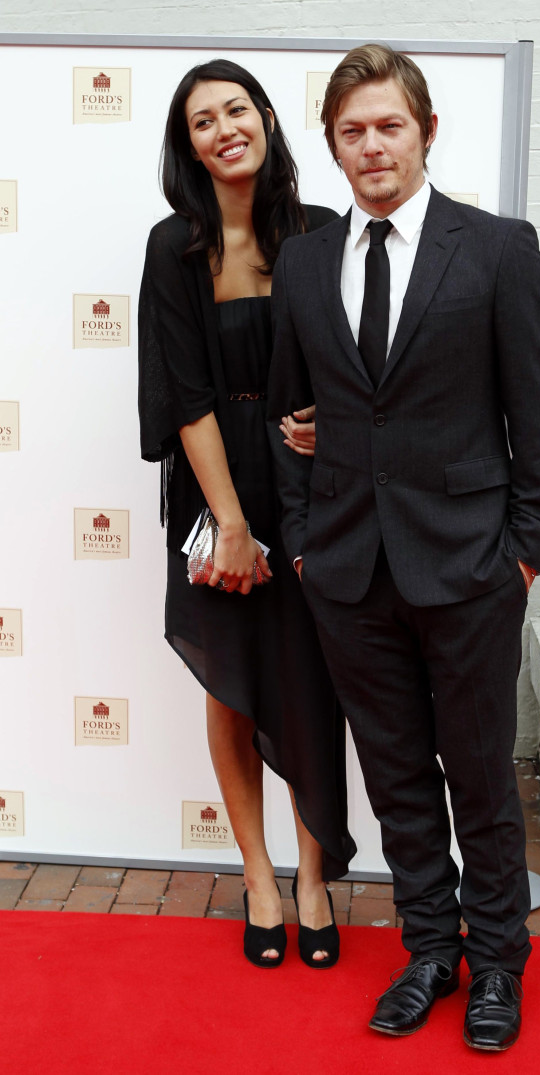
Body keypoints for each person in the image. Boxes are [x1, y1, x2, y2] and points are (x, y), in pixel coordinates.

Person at [268, 44, 540, 1048]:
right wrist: (307, 543)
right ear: (333, 147)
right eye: (350, 131)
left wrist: (524, 555)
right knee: (396, 776)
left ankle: (497, 964)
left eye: (388, 125)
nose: (371, 146)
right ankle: (430, 949)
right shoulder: (307, 262)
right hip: (350, 572)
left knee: (480, 776)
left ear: (426, 131)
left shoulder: (494, 249)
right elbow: (290, 417)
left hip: (471, 567)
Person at [137, 59, 355, 970]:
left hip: (310, 492)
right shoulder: (174, 243)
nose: (224, 129)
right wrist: (228, 521)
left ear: (266, 119)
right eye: (201, 121)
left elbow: (360, 363)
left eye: (237, 110)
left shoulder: (323, 231)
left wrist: (325, 420)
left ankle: (312, 878)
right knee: (230, 679)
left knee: (313, 677)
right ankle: (259, 876)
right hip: (216, 488)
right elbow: (184, 394)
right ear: (186, 145)